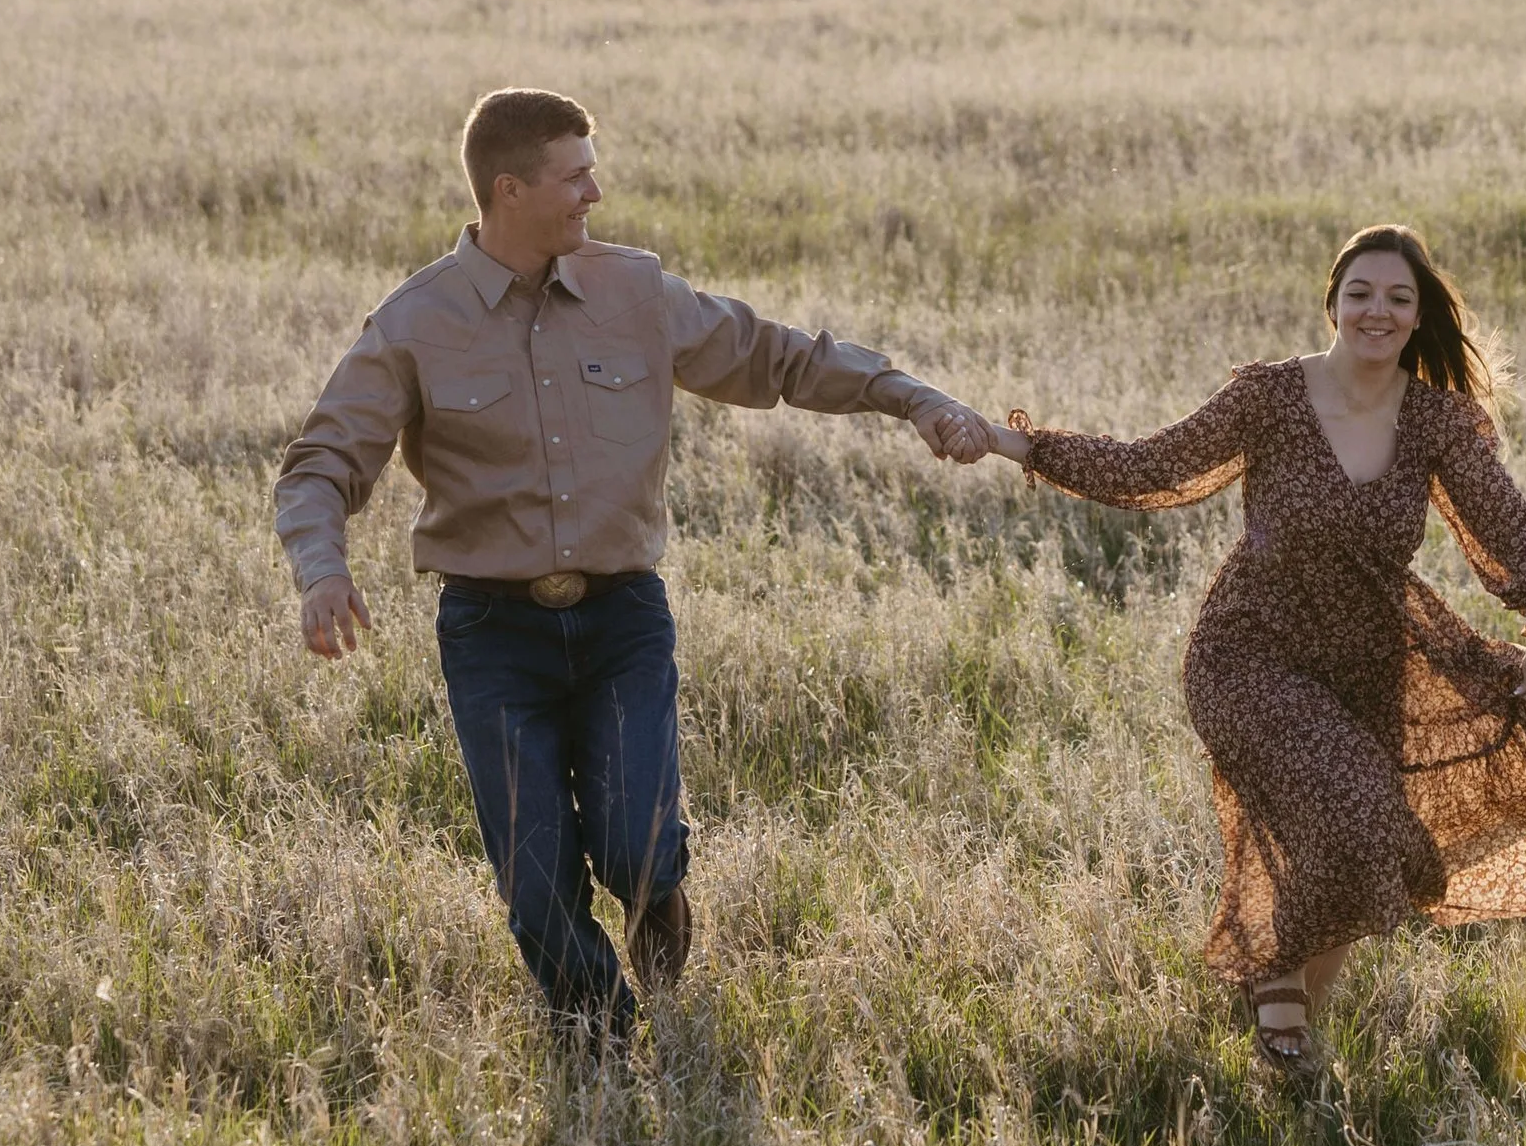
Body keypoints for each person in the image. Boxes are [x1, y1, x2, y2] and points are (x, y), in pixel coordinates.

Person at [276, 87, 998, 1042]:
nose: (595, 193)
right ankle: (603, 1044)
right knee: (536, 884)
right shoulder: (416, 322)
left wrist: (911, 399)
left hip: (622, 620)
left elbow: (776, 358)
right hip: (492, 635)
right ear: (510, 189)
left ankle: (659, 896)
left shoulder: (636, 293)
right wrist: (322, 569)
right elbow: (323, 461)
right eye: (575, 176)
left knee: (638, 841)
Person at [986, 224, 1526, 1079]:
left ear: (1418, 314)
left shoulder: (1435, 420)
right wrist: (1020, 444)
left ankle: (1287, 1044)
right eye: (1361, 292)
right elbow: (1153, 466)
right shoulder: (1271, 398)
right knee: (1353, 808)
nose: (1378, 311)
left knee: (1376, 848)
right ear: (1332, 302)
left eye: (1400, 298)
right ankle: (1276, 990)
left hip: (1368, 665)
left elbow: (1502, 518)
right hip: (1249, 653)